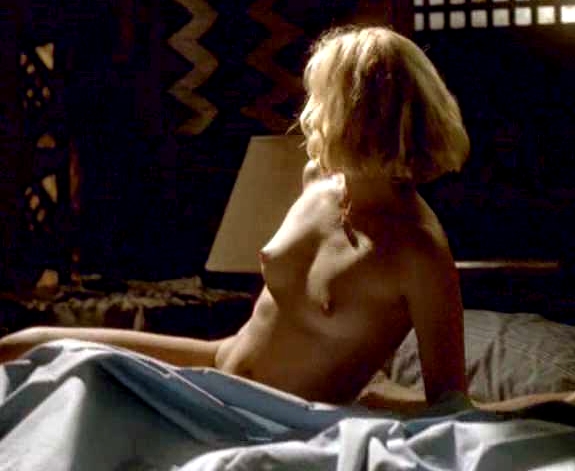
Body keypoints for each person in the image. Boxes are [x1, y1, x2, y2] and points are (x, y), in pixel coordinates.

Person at [0, 25, 470, 406]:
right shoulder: (318, 182)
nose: (311, 112)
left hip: (269, 414)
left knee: (80, 384)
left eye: (323, 98)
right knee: (25, 344)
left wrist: (374, 399)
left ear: (360, 113)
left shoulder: (420, 251)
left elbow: (449, 404)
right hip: (217, 365)